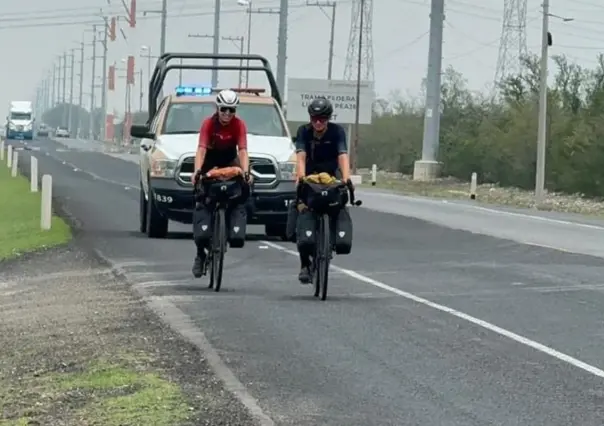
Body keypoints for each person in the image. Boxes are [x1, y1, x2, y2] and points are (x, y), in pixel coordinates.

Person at [191, 89, 251, 277]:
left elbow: (242, 150)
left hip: (229, 158)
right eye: (223, 109)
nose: (227, 114)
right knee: (203, 197)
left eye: (231, 110)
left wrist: (245, 170)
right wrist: (197, 171)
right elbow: (201, 149)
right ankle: (200, 254)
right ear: (217, 108)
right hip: (211, 158)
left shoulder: (239, 125)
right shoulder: (209, 123)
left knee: (243, 187)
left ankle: (230, 224)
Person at [293, 97, 352, 284]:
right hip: (310, 174)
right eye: (315, 118)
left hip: (331, 175)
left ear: (328, 119)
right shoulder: (303, 131)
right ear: (310, 118)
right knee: (303, 211)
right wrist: (301, 177)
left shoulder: (337, 131)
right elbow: (300, 156)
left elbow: (342, 155)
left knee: (338, 203)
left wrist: (346, 178)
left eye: (323, 119)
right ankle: (305, 264)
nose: (318, 123)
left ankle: (331, 239)